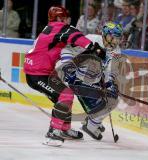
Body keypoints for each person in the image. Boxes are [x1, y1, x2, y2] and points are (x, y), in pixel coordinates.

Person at [23, 6, 105, 146]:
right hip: (37, 75)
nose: (69, 20)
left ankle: (64, 129)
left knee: (67, 94)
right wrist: (95, 48)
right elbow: (75, 35)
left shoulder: (52, 28)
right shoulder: (59, 28)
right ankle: (53, 132)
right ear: (60, 18)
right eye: (66, 17)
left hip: (40, 72)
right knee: (64, 95)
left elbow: (70, 41)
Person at [57, 21, 124, 140]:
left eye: (118, 38)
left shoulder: (116, 51)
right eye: (113, 37)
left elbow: (112, 70)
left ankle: (94, 121)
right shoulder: (91, 40)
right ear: (105, 35)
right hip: (77, 79)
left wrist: (110, 82)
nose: (115, 41)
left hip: (94, 80)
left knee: (111, 96)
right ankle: (92, 124)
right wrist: (67, 66)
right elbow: (67, 49)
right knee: (109, 102)